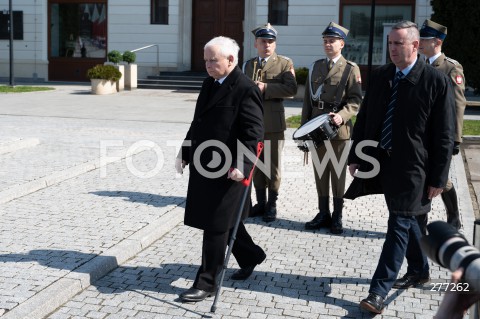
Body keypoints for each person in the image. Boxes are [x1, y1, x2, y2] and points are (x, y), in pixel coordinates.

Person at [346, 20, 455, 314]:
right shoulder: (382, 76)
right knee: (412, 222)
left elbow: (444, 136)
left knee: (398, 224)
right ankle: (419, 269)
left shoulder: (435, 81)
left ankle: (377, 292)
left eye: (398, 44)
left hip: (416, 169)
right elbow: (366, 119)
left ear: (415, 46)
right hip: (383, 164)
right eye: (390, 44)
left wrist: (438, 177)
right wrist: (355, 156)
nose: (392, 50)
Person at [175, 36, 267, 302]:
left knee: (215, 225)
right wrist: (185, 152)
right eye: (205, 60)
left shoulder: (246, 88)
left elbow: (254, 134)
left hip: (231, 170)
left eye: (212, 60)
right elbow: (198, 122)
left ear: (231, 59)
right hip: (206, 165)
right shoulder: (209, 83)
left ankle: (207, 282)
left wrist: (243, 165)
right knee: (226, 222)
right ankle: (252, 255)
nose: (207, 65)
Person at [301, 22, 362, 234]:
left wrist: (342, 116)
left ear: (342, 44)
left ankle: (337, 216)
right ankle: (323, 213)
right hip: (317, 129)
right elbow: (308, 101)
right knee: (320, 173)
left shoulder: (350, 69)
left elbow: (355, 100)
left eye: (332, 41)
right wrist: (303, 130)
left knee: (337, 174)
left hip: (339, 131)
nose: (328, 44)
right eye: (325, 41)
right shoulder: (316, 66)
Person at [242, 23, 298, 222]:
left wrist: (266, 87)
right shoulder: (249, 65)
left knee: (273, 166)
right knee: (256, 164)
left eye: (271, 42)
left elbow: (291, 89)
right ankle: (261, 202)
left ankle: (272, 205)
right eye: (263, 41)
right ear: (256, 43)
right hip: (253, 122)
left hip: (273, 123)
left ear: (275, 44)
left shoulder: (284, 63)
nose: (267, 45)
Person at [419, 19, 467, 230]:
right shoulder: (420, 65)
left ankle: (454, 216)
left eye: (424, 39)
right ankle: (420, 219)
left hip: (440, 134)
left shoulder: (450, 68)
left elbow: (458, 104)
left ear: (437, 42)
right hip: (421, 134)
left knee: (442, 178)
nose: (419, 42)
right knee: (423, 175)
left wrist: (455, 139)